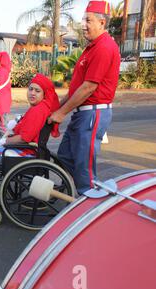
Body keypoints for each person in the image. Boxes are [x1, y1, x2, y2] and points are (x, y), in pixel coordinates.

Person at [49, 1, 120, 194]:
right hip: (82, 114)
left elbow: (89, 87)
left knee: (84, 165)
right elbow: (76, 89)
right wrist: (55, 108)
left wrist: (61, 113)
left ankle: (88, 201)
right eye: (83, 19)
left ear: (102, 22)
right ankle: (77, 191)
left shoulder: (104, 47)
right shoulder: (92, 47)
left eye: (88, 20)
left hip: (92, 113)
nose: (83, 25)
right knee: (65, 155)